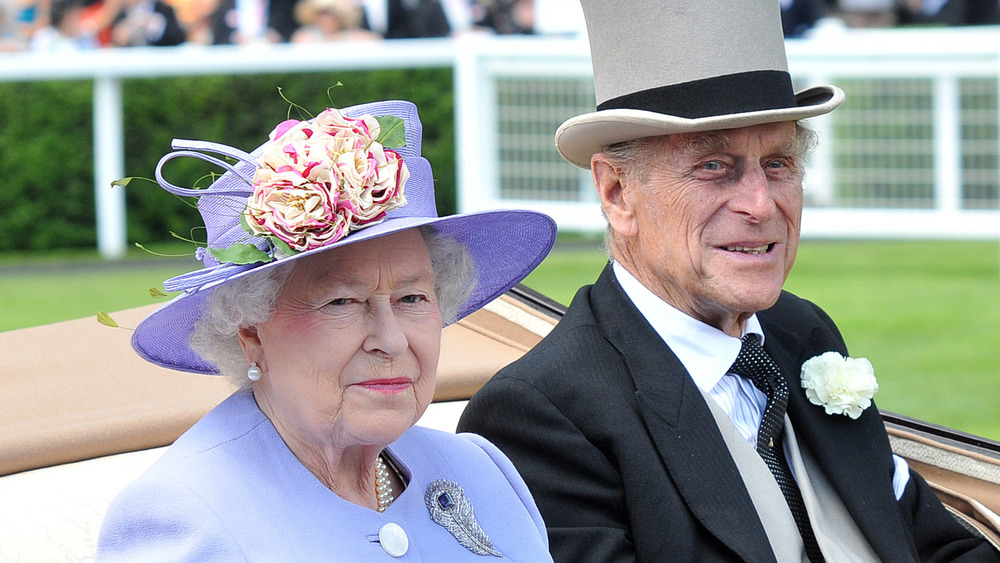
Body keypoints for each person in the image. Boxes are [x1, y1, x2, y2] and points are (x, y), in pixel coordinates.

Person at [458, 1, 1000, 561]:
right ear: (617, 193)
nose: (761, 205)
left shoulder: (800, 332)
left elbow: (935, 547)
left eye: (779, 163)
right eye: (713, 166)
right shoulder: (544, 416)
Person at [96, 99, 557, 560]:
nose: (392, 340)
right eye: (342, 302)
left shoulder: (481, 470)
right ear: (251, 331)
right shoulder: (183, 515)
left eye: (412, 298)